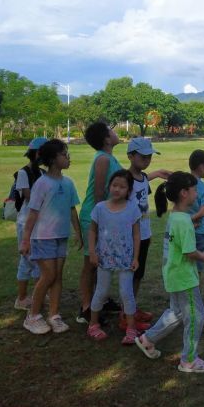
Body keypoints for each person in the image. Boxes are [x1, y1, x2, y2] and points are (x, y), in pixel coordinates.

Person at [135, 172, 204, 373]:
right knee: (196, 316)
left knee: (177, 313)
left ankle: (147, 339)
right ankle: (189, 360)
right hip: (184, 278)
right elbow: (189, 252)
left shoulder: (177, 217)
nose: (197, 193)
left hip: (173, 274)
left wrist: (190, 227)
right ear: (184, 193)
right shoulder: (184, 221)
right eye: (194, 190)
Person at [19, 139, 82, 334]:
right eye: (64, 154)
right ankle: (32, 317)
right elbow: (33, 213)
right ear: (53, 159)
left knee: (57, 277)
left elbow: (72, 209)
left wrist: (78, 232)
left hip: (61, 237)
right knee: (48, 275)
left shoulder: (68, 183)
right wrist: (25, 240)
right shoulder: (42, 183)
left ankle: (54, 315)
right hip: (43, 237)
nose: (68, 157)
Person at [87, 170, 142, 344]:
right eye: (114, 185)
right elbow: (92, 231)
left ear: (129, 190)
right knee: (101, 291)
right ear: (109, 186)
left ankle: (131, 328)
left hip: (126, 259)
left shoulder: (133, 208)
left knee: (126, 292)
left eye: (122, 186)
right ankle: (93, 324)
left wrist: (136, 257)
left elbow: (136, 235)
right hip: (104, 258)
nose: (117, 189)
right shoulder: (100, 208)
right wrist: (92, 252)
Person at [77, 122, 123, 324]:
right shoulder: (103, 159)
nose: (115, 132)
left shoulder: (109, 157)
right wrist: (100, 222)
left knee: (100, 262)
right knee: (90, 263)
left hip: (103, 217)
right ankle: (86, 307)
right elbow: (98, 194)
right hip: (94, 217)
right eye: (111, 130)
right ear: (106, 139)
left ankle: (100, 300)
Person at [125, 137, 170, 327]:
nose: (147, 160)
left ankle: (132, 308)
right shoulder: (124, 179)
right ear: (130, 156)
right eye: (143, 157)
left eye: (149, 157)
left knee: (138, 275)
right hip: (130, 237)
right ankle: (126, 316)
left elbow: (142, 186)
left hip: (144, 234)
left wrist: (158, 173)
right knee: (129, 276)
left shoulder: (143, 177)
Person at [13, 136, 48, 310]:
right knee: (27, 260)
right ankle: (22, 298)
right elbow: (29, 197)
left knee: (36, 260)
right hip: (25, 223)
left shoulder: (42, 173)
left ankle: (35, 296)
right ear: (37, 153)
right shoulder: (23, 173)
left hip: (38, 223)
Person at [188, 150, 204, 316]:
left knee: (186, 268)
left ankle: (186, 302)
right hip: (200, 234)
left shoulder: (184, 185)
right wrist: (189, 221)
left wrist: (184, 222)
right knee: (196, 271)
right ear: (202, 167)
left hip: (185, 234)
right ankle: (196, 306)